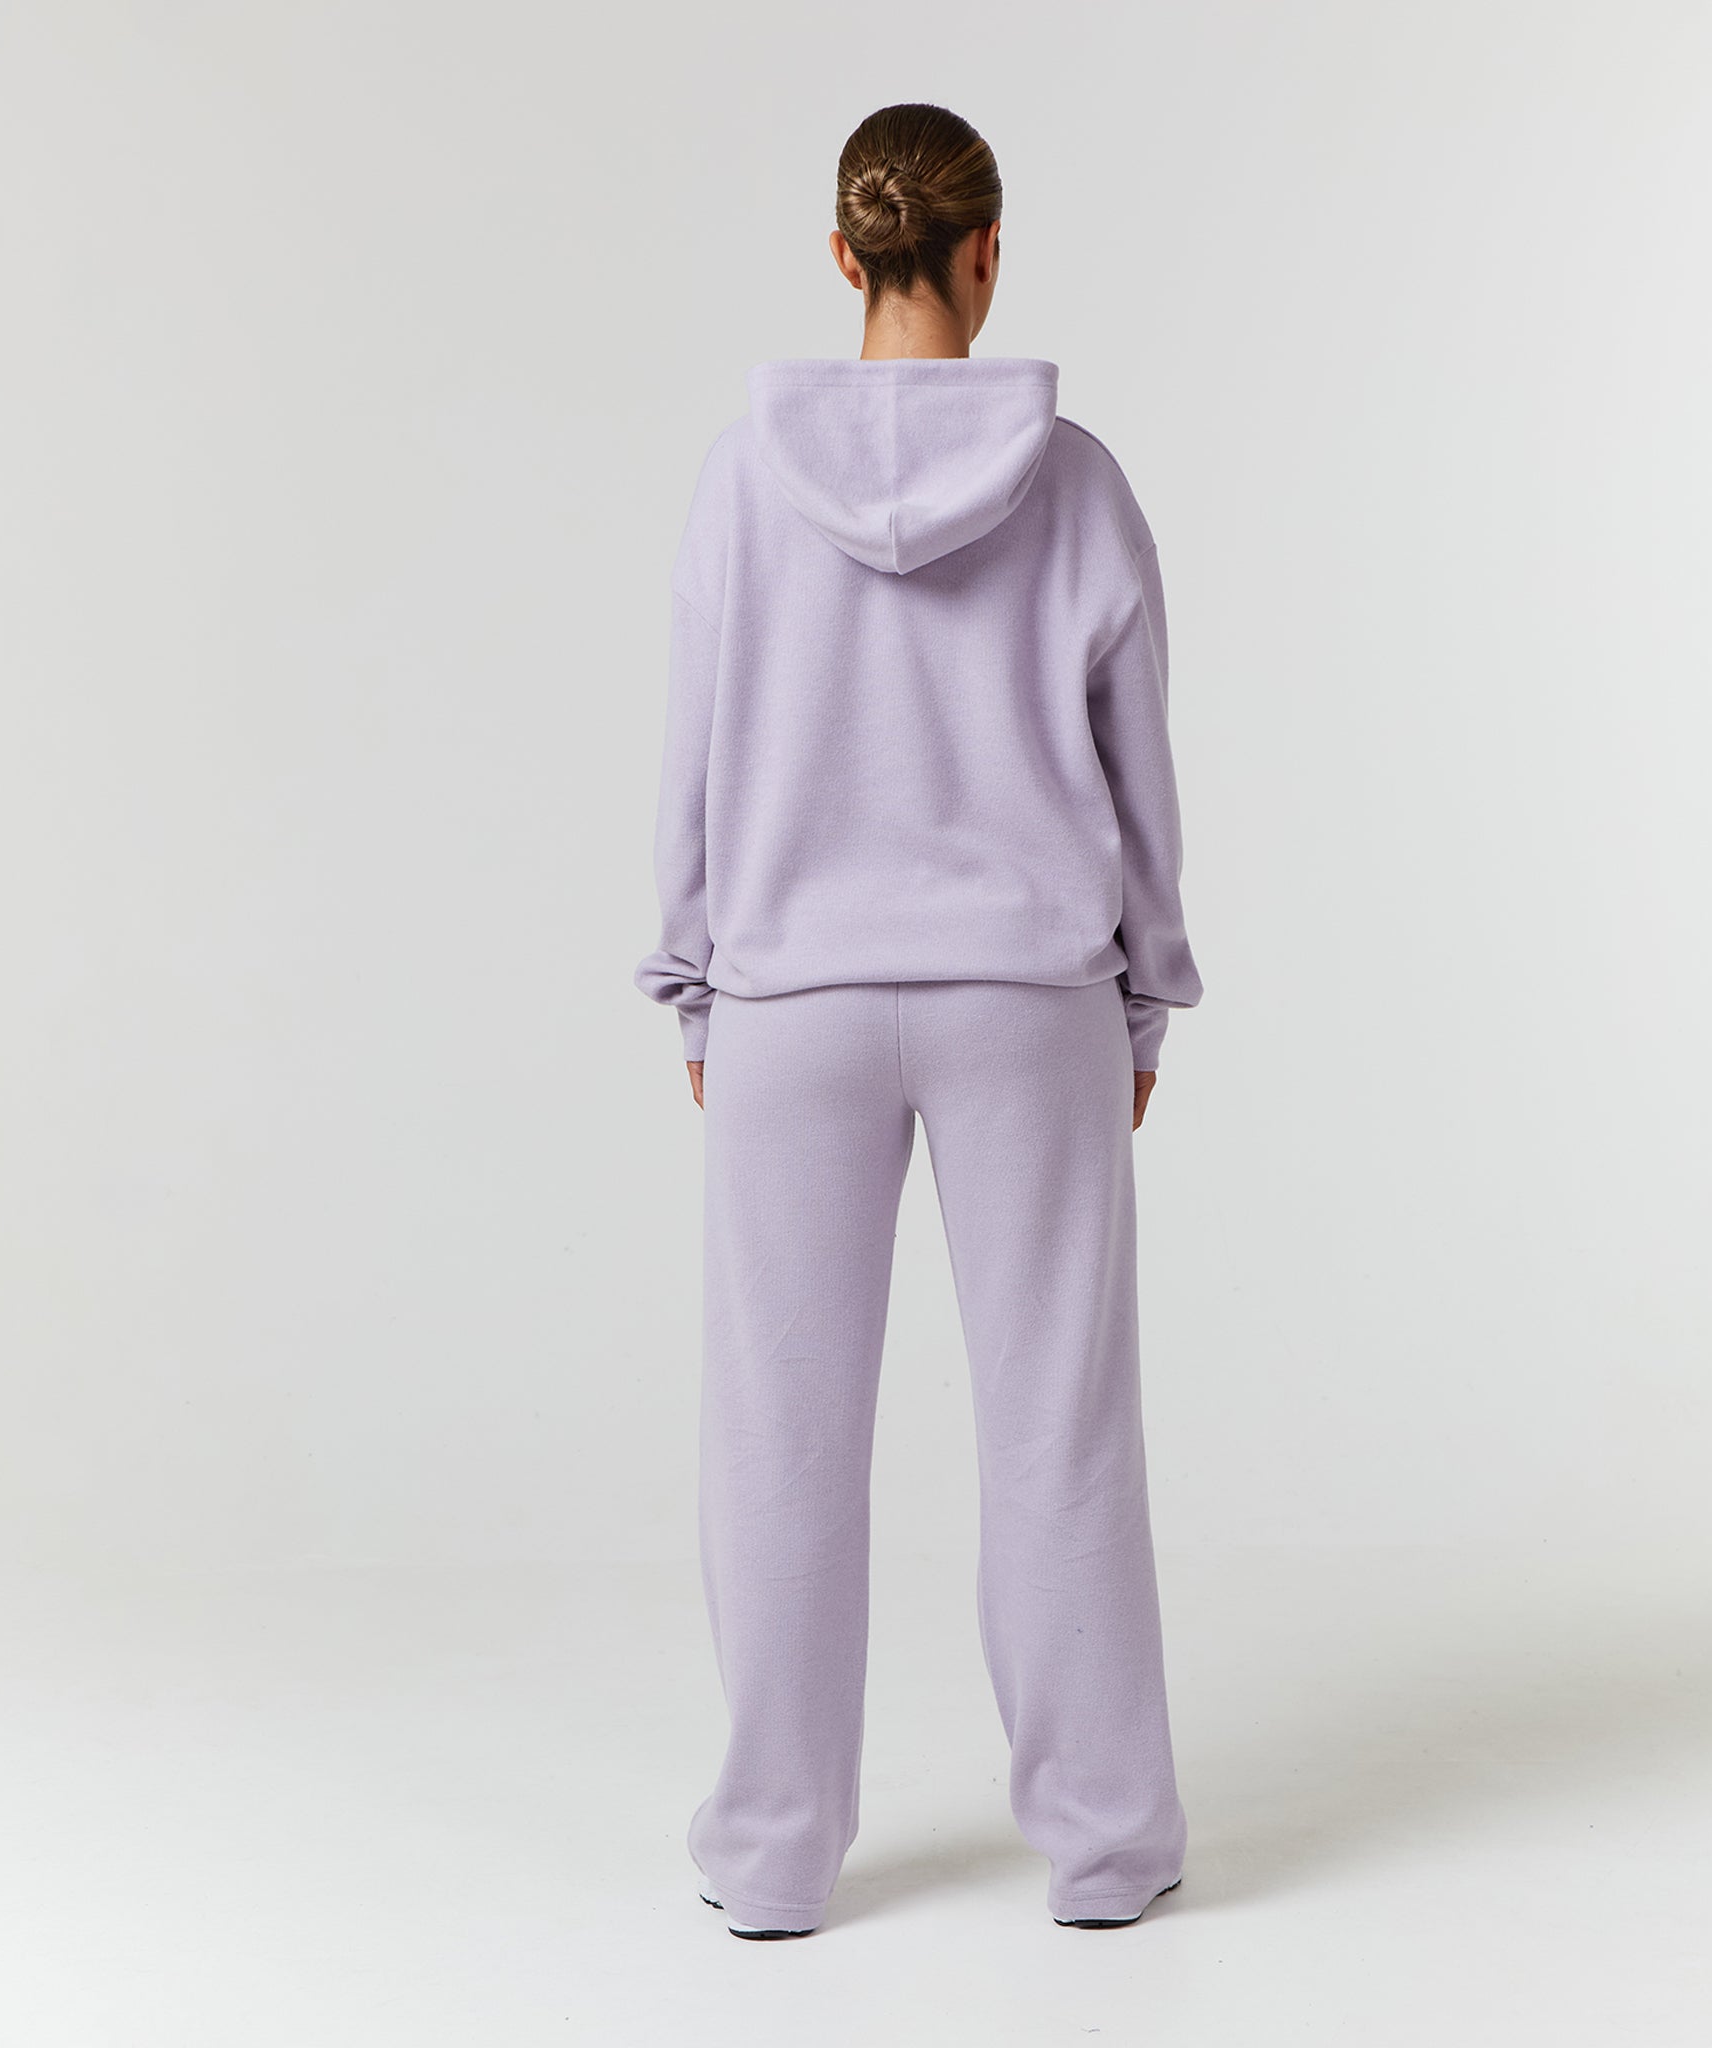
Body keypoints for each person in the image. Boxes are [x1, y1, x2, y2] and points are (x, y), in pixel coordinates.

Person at [635, 101, 1204, 1940]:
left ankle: (771, 1857)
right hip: (1029, 1001)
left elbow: (695, 750)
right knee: (1059, 1424)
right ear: (982, 254)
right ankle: (1106, 1846)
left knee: (780, 1436)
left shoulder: (740, 480)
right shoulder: (1079, 485)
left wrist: (693, 974)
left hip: (790, 1005)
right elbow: (1140, 770)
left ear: (842, 254)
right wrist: (1148, 995)